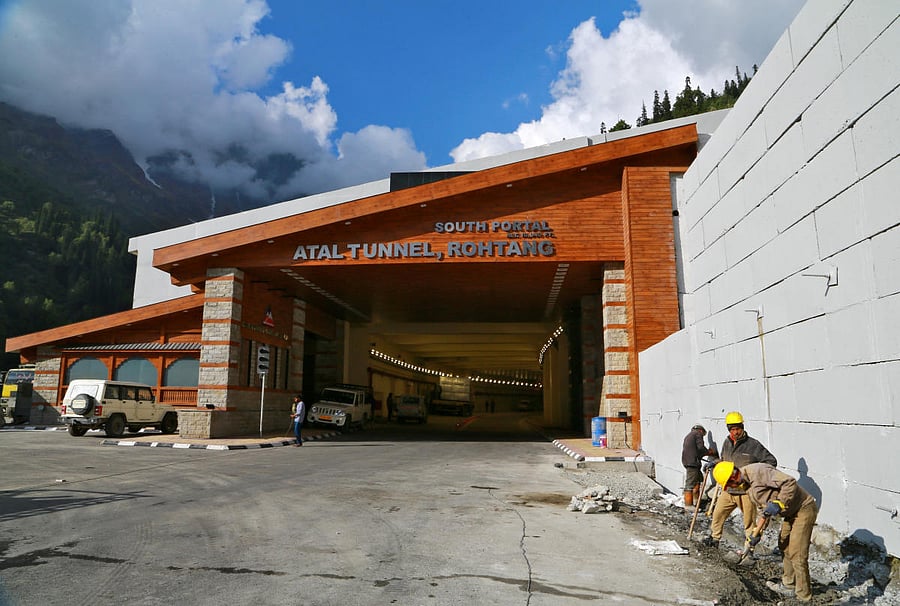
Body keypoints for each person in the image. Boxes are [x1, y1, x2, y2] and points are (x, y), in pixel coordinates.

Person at [713, 461, 818, 602]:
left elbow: (789, 482)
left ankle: (804, 596)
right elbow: (765, 511)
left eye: (731, 485)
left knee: (797, 553)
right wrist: (756, 534)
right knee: (784, 546)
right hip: (789, 513)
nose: (733, 488)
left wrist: (779, 502)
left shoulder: (758, 472)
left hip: (803, 508)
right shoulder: (748, 486)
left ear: (734, 475)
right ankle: (789, 585)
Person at [706, 411, 777, 547]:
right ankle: (715, 539)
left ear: (742, 427)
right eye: (732, 429)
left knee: (749, 522)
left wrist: (755, 477)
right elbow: (724, 459)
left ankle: (748, 549)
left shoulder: (753, 445)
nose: (735, 432)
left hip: (745, 492)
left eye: (737, 428)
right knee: (717, 514)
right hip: (728, 489)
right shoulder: (727, 442)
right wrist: (715, 462)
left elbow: (771, 461)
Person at [681, 423, 716, 507]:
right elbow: (700, 448)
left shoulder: (689, 435)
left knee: (698, 481)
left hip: (689, 462)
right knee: (690, 484)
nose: (702, 436)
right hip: (692, 463)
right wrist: (709, 452)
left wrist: (703, 455)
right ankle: (689, 506)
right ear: (701, 430)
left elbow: (696, 451)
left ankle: (697, 502)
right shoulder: (697, 434)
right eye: (703, 435)